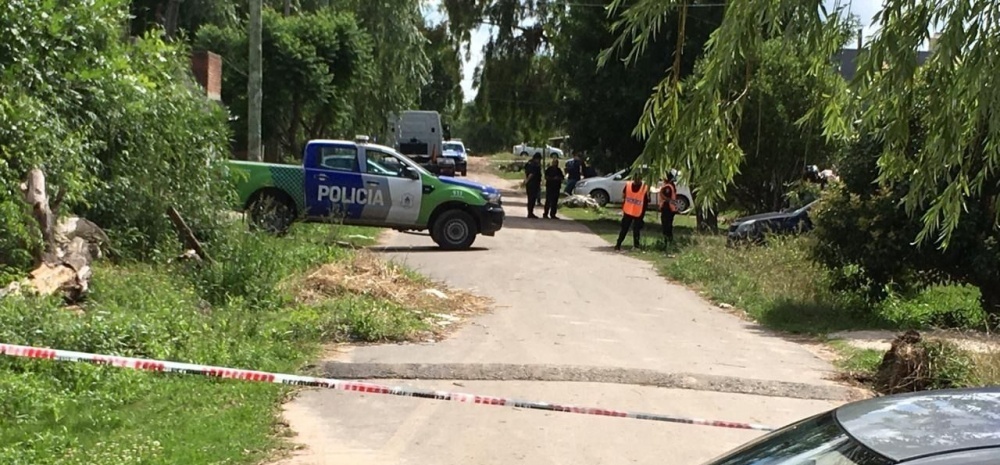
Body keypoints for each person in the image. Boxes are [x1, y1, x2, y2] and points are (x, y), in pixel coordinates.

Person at [615, 173, 650, 251]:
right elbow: (648, 199)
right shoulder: (643, 187)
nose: (637, 180)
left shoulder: (643, 187)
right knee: (627, 229)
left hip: (635, 211)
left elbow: (623, 196)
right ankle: (619, 245)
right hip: (634, 211)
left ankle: (632, 246)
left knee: (632, 229)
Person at [658, 169, 680, 243]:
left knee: (666, 227)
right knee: (668, 226)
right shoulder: (671, 185)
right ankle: (669, 241)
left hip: (667, 209)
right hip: (670, 209)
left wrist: (661, 194)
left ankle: (667, 242)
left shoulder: (668, 187)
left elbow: (667, 198)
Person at [524, 153, 543, 218]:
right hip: (533, 183)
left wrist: (526, 181)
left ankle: (530, 212)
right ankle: (530, 213)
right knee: (532, 199)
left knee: (530, 198)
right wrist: (527, 180)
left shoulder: (528, 163)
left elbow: (526, 172)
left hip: (530, 184)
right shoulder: (534, 165)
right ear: (537, 159)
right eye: (539, 159)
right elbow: (531, 174)